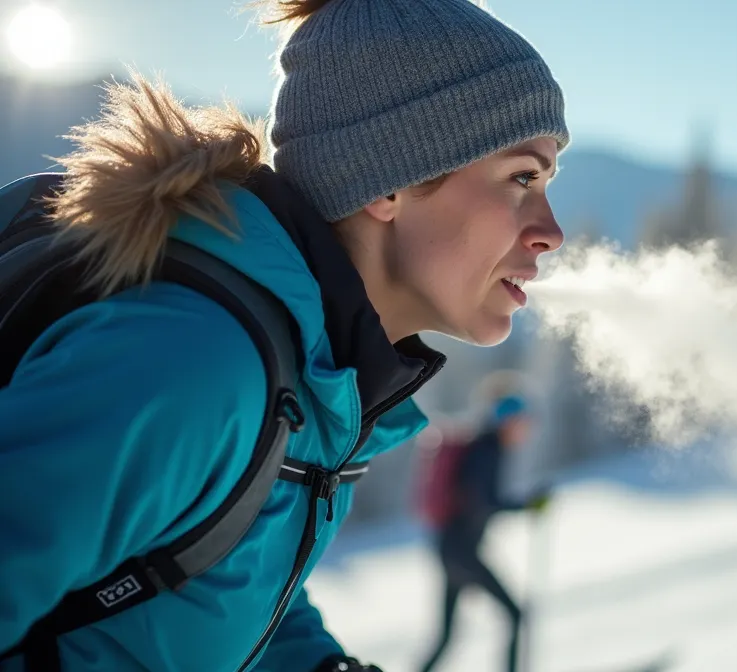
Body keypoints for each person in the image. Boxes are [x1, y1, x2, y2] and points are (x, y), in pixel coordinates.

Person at [0, 0, 568, 669]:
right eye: (522, 177)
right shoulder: (194, 370)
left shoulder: (317, 382)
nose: (552, 233)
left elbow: (210, 578)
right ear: (389, 180)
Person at [418, 391, 551, 672]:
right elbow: (483, 503)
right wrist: (526, 506)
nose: (525, 429)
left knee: (446, 637)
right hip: (462, 552)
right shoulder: (487, 451)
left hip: (452, 549)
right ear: (509, 421)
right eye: (522, 422)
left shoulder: (483, 447)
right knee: (515, 615)